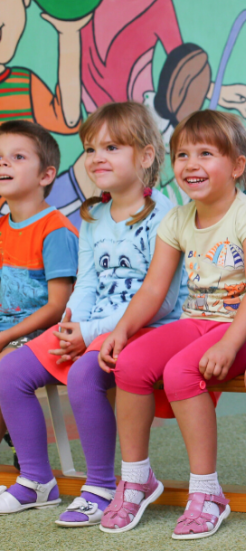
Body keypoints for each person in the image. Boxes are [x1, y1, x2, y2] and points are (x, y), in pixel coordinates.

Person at [96, 110, 246, 540]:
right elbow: (153, 289)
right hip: (198, 321)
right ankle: (137, 477)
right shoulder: (178, 219)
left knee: (182, 370)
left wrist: (229, 344)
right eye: (182, 155)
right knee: (131, 363)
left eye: (205, 154)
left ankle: (207, 491)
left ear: (237, 165)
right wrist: (122, 330)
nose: (190, 164)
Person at [0, 102, 184, 523]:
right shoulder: (92, 216)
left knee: (85, 374)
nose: (97, 157)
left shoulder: (167, 218)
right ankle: (35, 480)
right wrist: (70, 324)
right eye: (90, 148)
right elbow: (85, 283)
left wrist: (90, 330)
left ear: (146, 155)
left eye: (112, 147)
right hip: (89, 325)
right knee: (10, 373)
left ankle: (100, 484)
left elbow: (163, 300)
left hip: (142, 327)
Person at [0, 120, 78, 499]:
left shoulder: (55, 229)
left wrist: (8, 335)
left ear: (47, 174)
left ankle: (32, 468)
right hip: (7, 328)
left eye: (16, 157)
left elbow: (58, 306)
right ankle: (17, 441)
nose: (4, 165)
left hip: (43, 330)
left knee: (4, 366)